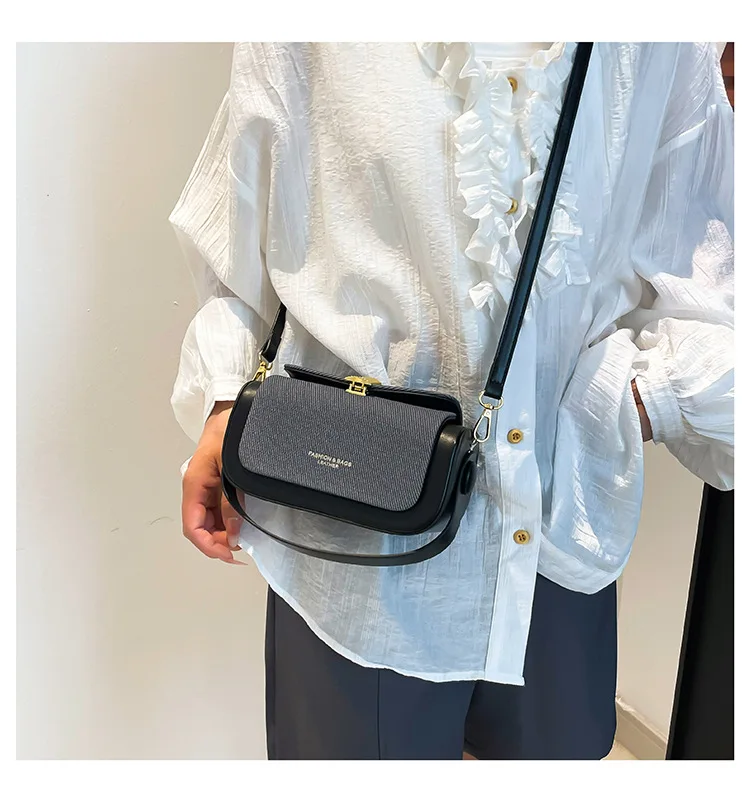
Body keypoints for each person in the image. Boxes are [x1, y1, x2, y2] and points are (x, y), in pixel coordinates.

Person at [171, 42, 734, 760]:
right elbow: (242, 207)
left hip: (559, 512)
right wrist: (226, 399)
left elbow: (704, 247)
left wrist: (640, 397)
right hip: (355, 526)